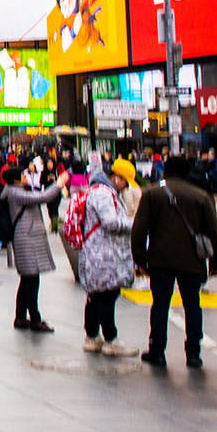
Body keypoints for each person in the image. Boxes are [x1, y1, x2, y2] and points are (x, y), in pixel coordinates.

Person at [131, 154, 217, 369]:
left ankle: (157, 350)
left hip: (160, 260)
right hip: (192, 262)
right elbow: (214, 232)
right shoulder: (200, 196)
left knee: (160, 306)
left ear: (165, 170)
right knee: (192, 305)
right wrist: (216, 262)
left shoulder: (152, 194)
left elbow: (139, 230)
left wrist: (140, 259)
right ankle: (193, 352)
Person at [77, 153, 137, 356]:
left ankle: (92, 336)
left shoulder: (100, 191)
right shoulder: (103, 193)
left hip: (99, 251)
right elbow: (110, 222)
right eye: (125, 183)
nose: (125, 188)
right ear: (117, 177)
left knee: (96, 294)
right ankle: (110, 338)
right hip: (102, 252)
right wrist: (132, 224)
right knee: (107, 294)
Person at [4, 163, 62, 332]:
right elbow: (41, 197)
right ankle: (35, 318)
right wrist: (58, 185)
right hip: (25, 238)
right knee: (31, 279)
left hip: (27, 236)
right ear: (15, 180)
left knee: (27, 279)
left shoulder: (17, 191)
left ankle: (21, 317)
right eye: (22, 176)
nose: (25, 178)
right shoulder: (15, 193)